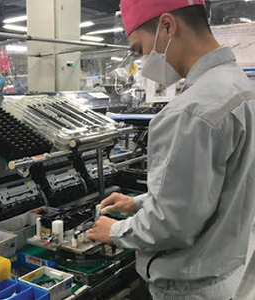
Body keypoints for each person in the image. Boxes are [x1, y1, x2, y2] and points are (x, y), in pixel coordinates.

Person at [88, 0, 255, 299]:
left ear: (167, 26)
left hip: (189, 286)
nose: (141, 62)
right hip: (225, 270)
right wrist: (138, 204)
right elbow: (210, 190)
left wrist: (113, 232)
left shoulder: (188, 113)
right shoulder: (240, 87)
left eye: (139, 49)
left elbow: (171, 225)